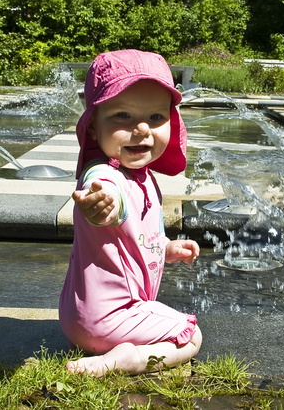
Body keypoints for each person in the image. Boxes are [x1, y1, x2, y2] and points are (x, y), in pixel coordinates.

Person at [58, 49, 202, 376]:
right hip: (110, 319)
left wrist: (166, 249)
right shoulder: (105, 177)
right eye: (122, 116)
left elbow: (132, 237)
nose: (141, 129)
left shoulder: (144, 177)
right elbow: (108, 202)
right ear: (93, 127)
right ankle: (127, 359)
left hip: (77, 318)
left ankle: (108, 347)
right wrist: (100, 206)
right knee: (191, 336)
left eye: (155, 117)